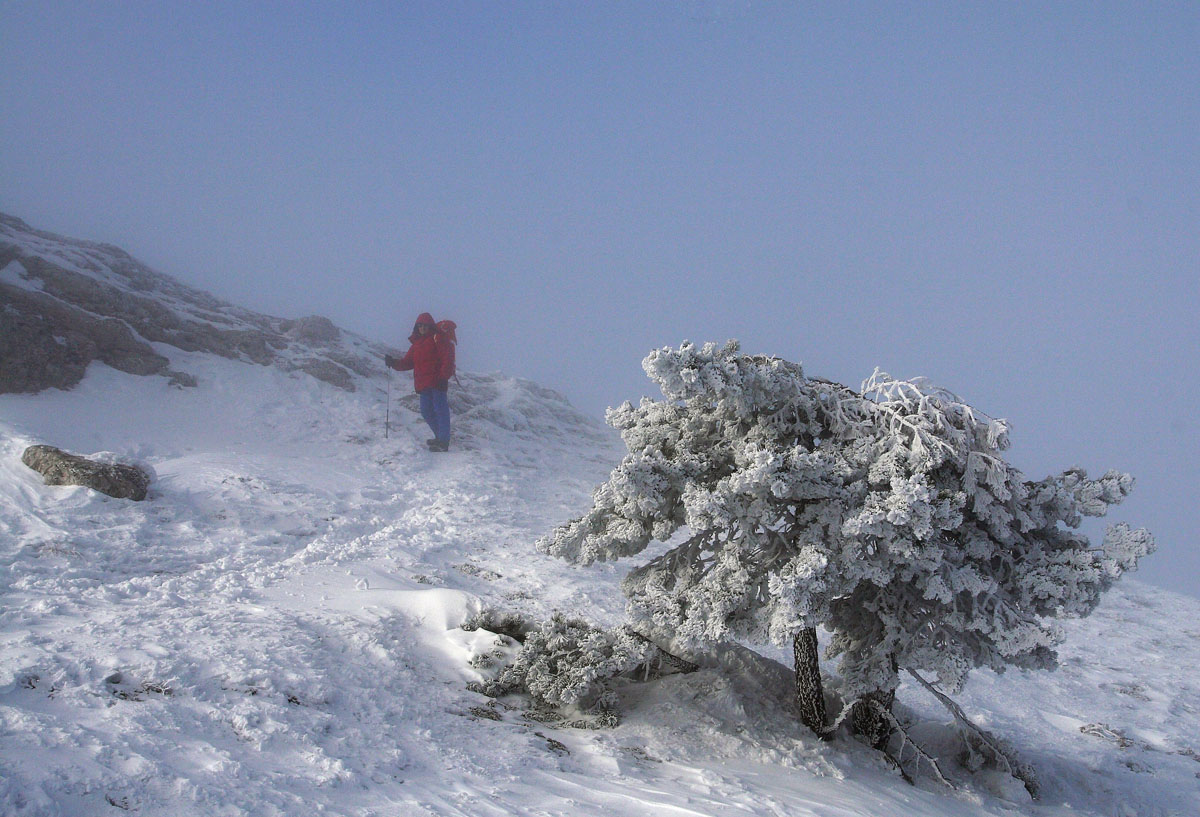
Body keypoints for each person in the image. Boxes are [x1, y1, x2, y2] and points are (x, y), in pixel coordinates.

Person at [385, 313, 455, 451]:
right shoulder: (417, 345)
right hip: (423, 384)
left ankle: (443, 441)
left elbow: (447, 359)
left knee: (441, 410)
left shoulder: (437, 338)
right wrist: (393, 363)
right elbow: (407, 363)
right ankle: (439, 437)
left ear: (430, 326)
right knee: (426, 411)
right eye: (419, 325)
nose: (422, 327)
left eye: (425, 325)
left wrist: (444, 376)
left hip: (437, 381)